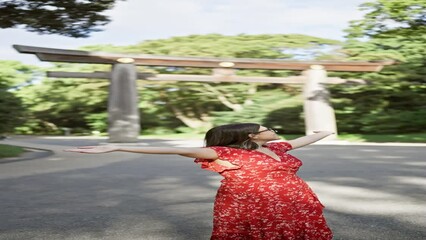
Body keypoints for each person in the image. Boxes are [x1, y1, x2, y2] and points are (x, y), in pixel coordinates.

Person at [65, 123, 334, 239]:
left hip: (293, 200)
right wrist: (117, 148)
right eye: (266, 128)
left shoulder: (276, 148)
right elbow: (172, 150)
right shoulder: (225, 152)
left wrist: (326, 131)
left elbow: (303, 140)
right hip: (252, 204)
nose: (272, 130)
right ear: (252, 135)